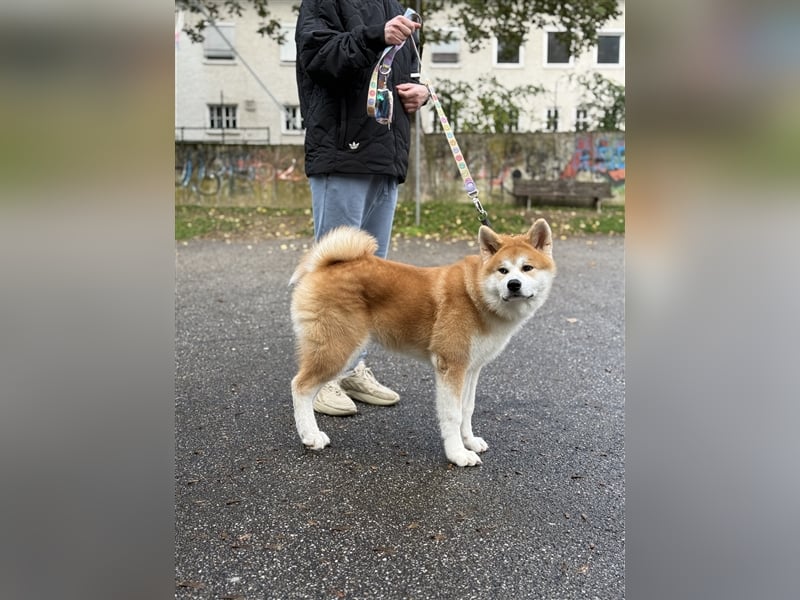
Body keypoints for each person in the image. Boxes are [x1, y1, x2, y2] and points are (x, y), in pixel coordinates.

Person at [295, 1, 430, 416]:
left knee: (374, 275)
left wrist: (420, 93)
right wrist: (375, 35)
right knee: (337, 275)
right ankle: (321, 378)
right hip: (341, 151)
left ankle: (352, 366)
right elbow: (318, 57)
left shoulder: (399, 5)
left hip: (386, 156)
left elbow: (406, 73)